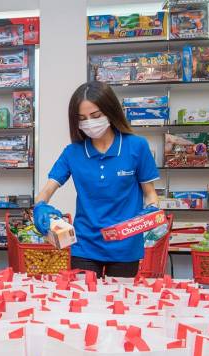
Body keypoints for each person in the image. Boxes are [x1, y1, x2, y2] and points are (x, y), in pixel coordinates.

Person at [33, 81, 160, 278]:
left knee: (119, 297)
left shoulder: (137, 146)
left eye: (95, 116)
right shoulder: (72, 152)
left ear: (110, 111)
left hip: (125, 245)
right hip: (85, 245)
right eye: (82, 118)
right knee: (84, 296)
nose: (89, 123)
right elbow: (47, 190)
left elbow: (150, 194)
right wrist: (40, 207)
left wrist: (151, 211)